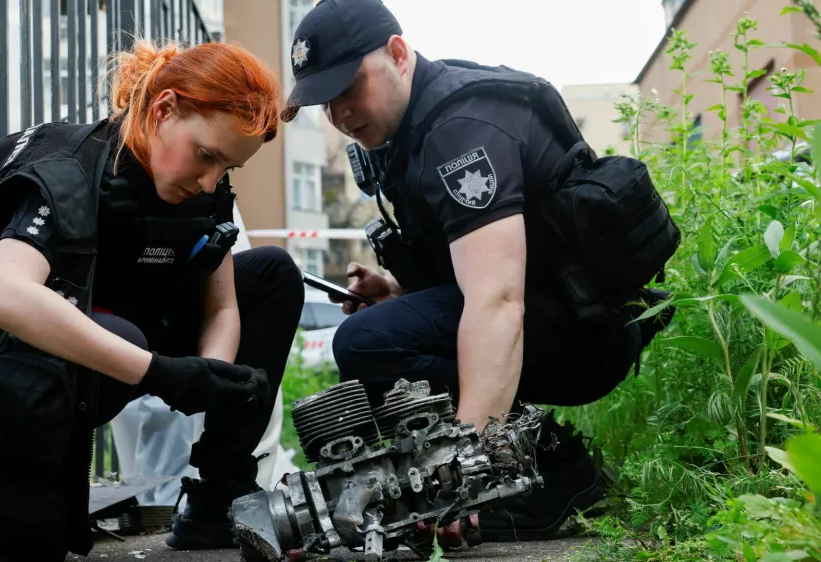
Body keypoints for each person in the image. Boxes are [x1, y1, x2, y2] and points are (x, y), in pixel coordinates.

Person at [280, 0, 677, 547]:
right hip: (560, 317)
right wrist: (395, 292)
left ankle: (537, 484)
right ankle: (556, 465)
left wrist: (463, 476)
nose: (340, 114)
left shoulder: (459, 131)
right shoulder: (417, 124)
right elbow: (484, 273)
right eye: (326, 103)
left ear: (398, 54)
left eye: (350, 88)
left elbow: (497, 300)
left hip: (585, 334)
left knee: (367, 343)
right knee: (382, 329)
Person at [0, 39, 305, 561]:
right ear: (164, 109)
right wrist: (157, 371)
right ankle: (8, 483)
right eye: (206, 156)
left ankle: (217, 500)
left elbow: (223, 306)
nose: (210, 180)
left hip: (111, 338)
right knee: (32, 542)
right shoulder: (70, 169)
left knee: (272, 272)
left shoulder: (203, 188)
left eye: (226, 167)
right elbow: (4, 295)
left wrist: (207, 375)